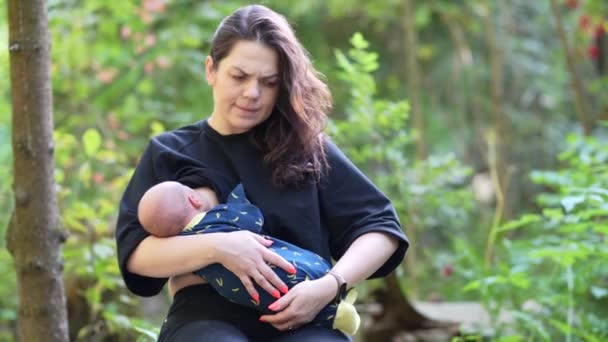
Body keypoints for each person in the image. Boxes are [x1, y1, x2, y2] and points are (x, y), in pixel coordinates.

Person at [115, 4, 409, 341]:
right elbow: (137, 253)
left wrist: (330, 285)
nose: (252, 94)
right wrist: (221, 247)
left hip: (304, 317)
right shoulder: (170, 151)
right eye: (239, 77)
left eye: (268, 83)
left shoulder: (307, 149)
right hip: (205, 319)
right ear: (211, 70)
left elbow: (381, 228)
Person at [137, 181, 360, 335]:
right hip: (275, 270)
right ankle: (334, 306)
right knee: (293, 273)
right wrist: (240, 195)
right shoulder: (216, 219)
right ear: (193, 199)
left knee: (275, 301)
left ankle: (334, 313)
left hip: (240, 293)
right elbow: (250, 218)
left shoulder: (184, 246)